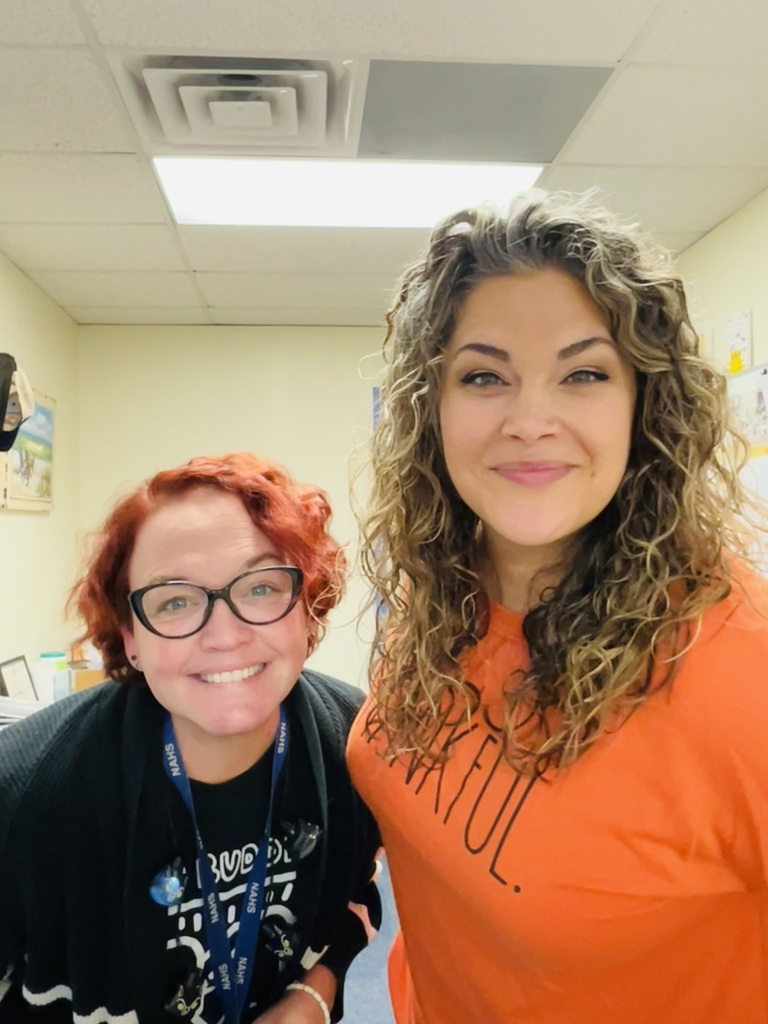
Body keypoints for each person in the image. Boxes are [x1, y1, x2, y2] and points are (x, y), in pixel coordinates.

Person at [347, 190, 768, 1023]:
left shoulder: (737, 663)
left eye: (583, 373)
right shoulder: (437, 598)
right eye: (483, 375)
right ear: (432, 410)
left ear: (646, 403)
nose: (529, 419)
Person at [0, 453, 381, 1024]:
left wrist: (312, 997)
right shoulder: (24, 794)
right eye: (174, 600)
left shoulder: (357, 744)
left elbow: (359, 899)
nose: (224, 636)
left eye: (259, 587)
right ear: (130, 637)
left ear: (307, 606)